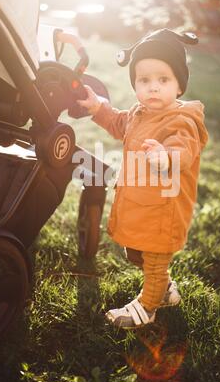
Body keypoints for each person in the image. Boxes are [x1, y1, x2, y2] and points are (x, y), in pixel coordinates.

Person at [77, 28, 209, 329]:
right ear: (135, 83)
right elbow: (117, 122)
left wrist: (166, 157)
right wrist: (98, 108)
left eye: (163, 80)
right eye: (144, 80)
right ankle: (165, 290)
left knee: (154, 259)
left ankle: (148, 306)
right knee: (135, 252)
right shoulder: (139, 113)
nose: (153, 88)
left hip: (164, 210)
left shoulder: (182, 122)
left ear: (179, 86)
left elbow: (184, 150)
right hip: (141, 206)